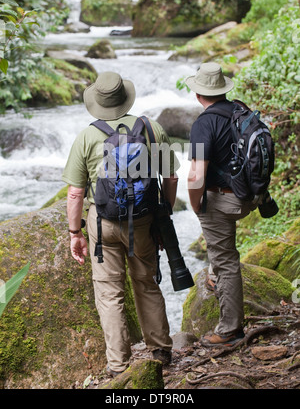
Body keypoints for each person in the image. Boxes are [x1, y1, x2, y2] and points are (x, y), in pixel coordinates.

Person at [62, 71, 178, 376]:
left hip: (102, 224)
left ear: (97, 103)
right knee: (146, 282)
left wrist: (75, 233)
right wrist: (162, 213)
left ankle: (119, 365)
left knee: (109, 292)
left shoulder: (87, 136)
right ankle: (160, 349)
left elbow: (75, 192)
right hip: (142, 220)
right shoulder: (150, 128)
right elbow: (171, 176)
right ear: (125, 98)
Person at [186, 62, 258, 347]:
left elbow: (196, 175)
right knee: (223, 253)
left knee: (227, 261)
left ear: (198, 95)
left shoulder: (204, 123)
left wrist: (196, 205)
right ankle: (215, 276)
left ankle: (230, 331)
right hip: (247, 196)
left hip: (222, 199)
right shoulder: (241, 111)